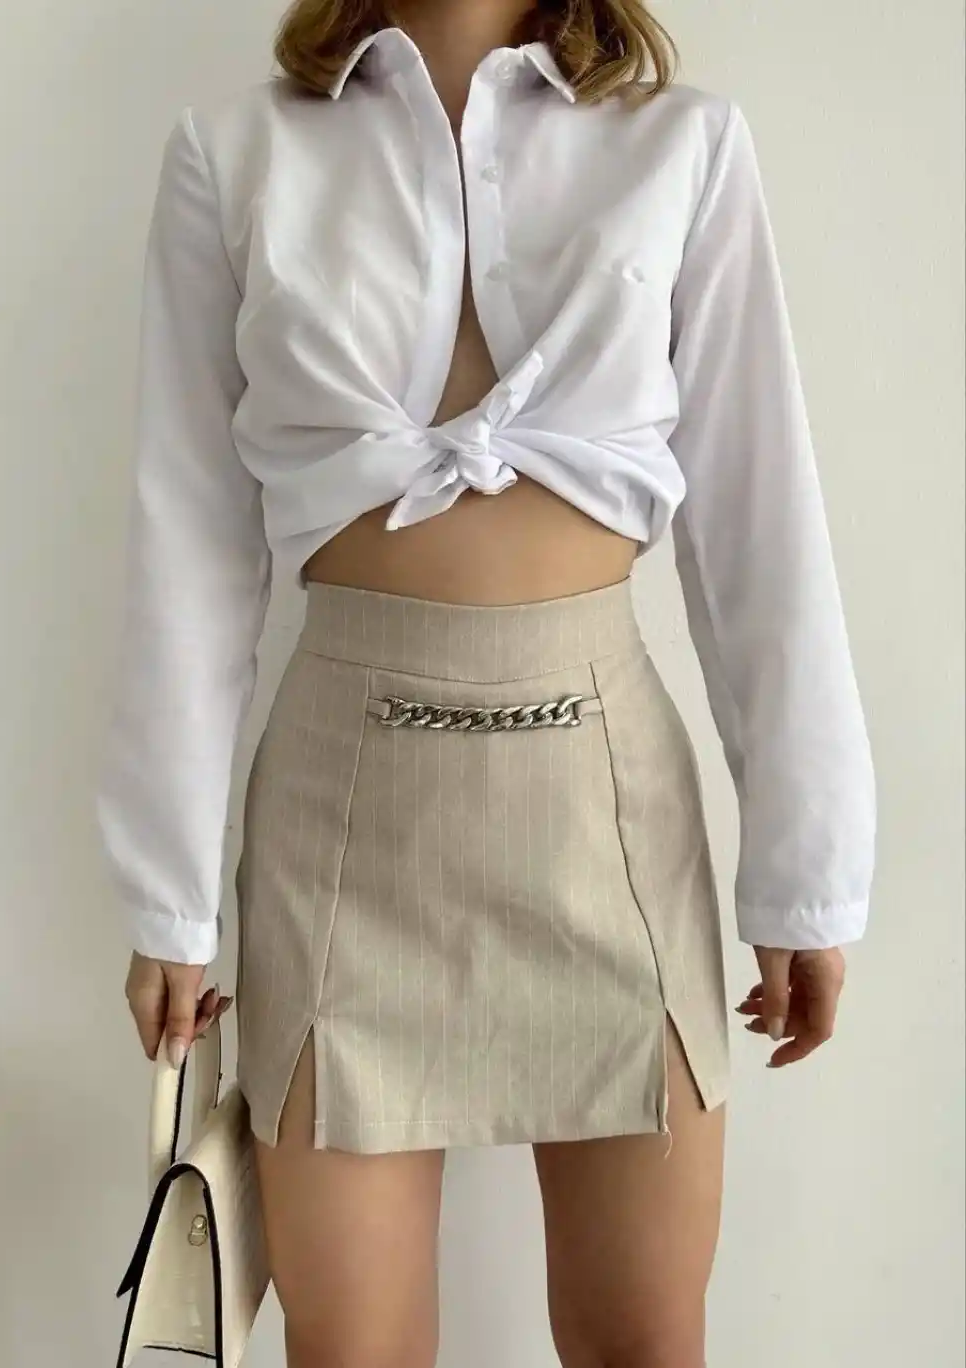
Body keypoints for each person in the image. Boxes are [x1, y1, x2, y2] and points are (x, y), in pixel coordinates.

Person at [97, 1, 876, 1364]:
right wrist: (168, 891)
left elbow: (762, 523)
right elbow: (190, 543)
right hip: (346, 835)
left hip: (610, 822)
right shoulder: (233, 153)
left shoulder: (686, 145)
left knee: (646, 1344)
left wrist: (808, 876)